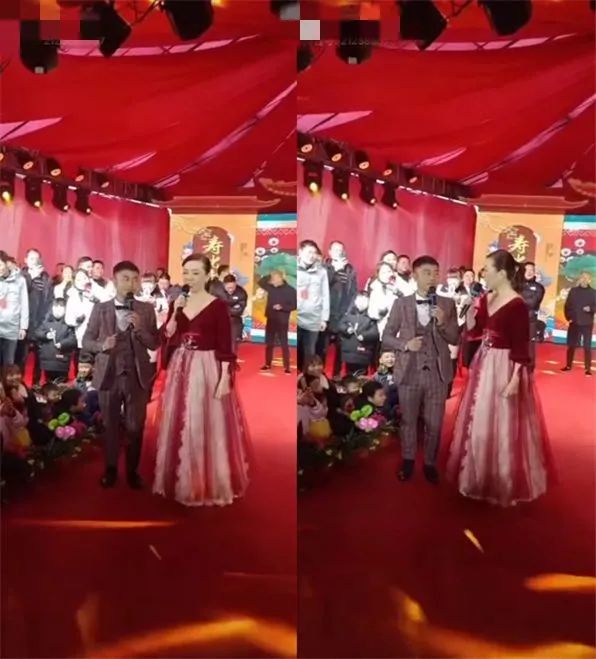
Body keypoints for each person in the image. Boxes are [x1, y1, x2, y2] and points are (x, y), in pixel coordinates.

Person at [446, 250, 553, 506]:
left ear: (502, 273)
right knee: (479, 417)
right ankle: (475, 477)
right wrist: (468, 314)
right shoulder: (487, 297)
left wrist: (515, 380)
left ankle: (501, 481)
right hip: (484, 361)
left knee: (503, 423)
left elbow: (521, 347)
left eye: (488, 270)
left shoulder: (517, 305)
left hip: (505, 366)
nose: (484, 275)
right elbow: (476, 331)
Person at [153, 253, 249, 506]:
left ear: (207, 275)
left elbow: (225, 344)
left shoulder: (218, 306)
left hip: (207, 365)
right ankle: (181, 476)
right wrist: (176, 311)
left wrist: (224, 377)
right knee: (181, 418)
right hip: (181, 364)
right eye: (186, 272)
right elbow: (168, 334)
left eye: (196, 273)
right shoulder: (178, 301)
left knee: (204, 419)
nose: (190, 277)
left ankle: (205, 478)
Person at [382, 255, 459, 483]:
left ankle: (429, 462)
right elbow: (386, 336)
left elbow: (455, 338)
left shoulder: (447, 304)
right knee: (408, 420)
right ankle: (408, 460)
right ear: (415, 275)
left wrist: (443, 322)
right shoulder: (401, 304)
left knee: (434, 423)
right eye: (427, 273)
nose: (432, 277)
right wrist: (405, 345)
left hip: (437, 372)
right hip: (409, 371)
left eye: (436, 273)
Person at [83, 260, 159, 489]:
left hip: (137, 375)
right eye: (126, 278)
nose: (131, 284)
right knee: (110, 425)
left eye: (135, 279)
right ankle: (111, 468)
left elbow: (155, 343)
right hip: (109, 375)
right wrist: (102, 345)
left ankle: (133, 471)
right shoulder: (100, 308)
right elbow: (86, 340)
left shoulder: (146, 309)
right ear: (114, 281)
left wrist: (141, 329)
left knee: (136, 427)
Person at [321, 241, 358, 377]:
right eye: (335, 250)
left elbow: (353, 292)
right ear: (330, 252)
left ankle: (336, 376)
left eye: (341, 250)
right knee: (322, 348)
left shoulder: (350, 269)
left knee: (341, 349)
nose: (339, 252)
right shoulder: (323, 267)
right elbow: (322, 286)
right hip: (325, 314)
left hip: (342, 314)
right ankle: (319, 375)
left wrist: (349, 312)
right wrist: (336, 270)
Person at [297, 240, 330, 372]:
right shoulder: (292, 269)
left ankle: (307, 379)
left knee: (309, 352)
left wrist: (324, 318)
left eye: (314, 253)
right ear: (300, 252)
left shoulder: (322, 272)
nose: (311, 255)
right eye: (309, 252)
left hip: (313, 318)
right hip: (296, 317)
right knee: (295, 350)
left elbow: (325, 295)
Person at [259, 270, 296, 373]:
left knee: (284, 343)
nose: (272, 281)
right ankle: (267, 364)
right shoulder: (270, 287)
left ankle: (287, 366)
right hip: (271, 318)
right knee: (269, 343)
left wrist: (282, 307)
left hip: (282, 320)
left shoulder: (291, 290)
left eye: (274, 279)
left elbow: (294, 305)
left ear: (281, 279)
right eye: (272, 279)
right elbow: (261, 282)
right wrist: (270, 275)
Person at [35, 298, 78, 382]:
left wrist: (62, 344)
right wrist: (46, 335)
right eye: (55, 307)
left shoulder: (69, 324)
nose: (58, 310)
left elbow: (73, 339)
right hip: (48, 359)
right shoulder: (46, 322)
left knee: (61, 383)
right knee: (49, 383)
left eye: (61, 307)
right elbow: (37, 333)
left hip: (62, 359)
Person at [561, 271, 595, 376]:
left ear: (590, 280)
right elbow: (567, 306)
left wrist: (591, 309)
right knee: (571, 345)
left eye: (586, 278)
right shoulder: (573, 291)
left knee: (587, 346)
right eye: (582, 277)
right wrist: (569, 318)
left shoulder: (593, 292)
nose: (584, 279)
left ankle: (588, 369)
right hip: (574, 322)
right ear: (579, 279)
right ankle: (568, 365)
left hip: (587, 323)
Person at [337, 291, 378, 376]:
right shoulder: (348, 314)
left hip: (364, 351)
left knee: (361, 374)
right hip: (349, 350)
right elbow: (340, 325)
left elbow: (374, 332)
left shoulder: (371, 317)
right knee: (349, 374)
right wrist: (347, 329)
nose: (362, 303)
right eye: (360, 300)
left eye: (364, 301)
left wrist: (364, 336)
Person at [0, 251, 29, 370]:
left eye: (0, 265)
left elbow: (24, 304)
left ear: (7, 263)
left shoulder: (20, 280)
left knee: (8, 365)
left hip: (11, 329)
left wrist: (23, 327)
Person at [521, 261, 545, 372]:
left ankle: (529, 370)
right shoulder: (516, 285)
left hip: (530, 320)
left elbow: (533, 303)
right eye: (527, 269)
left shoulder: (539, 287)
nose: (529, 272)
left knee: (530, 346)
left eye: (532, 270)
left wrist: (518, 299)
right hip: (515, 320)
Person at [222, 274, 248, 347]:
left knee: (233, 345)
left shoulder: (241, 293)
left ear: (235, 284)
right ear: (224, 285)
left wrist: (223, 309)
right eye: (228, 288)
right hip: (220, 321)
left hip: (234, 321)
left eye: (233, 287)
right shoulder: (218, 291)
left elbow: (238, 310)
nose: (231, 290)